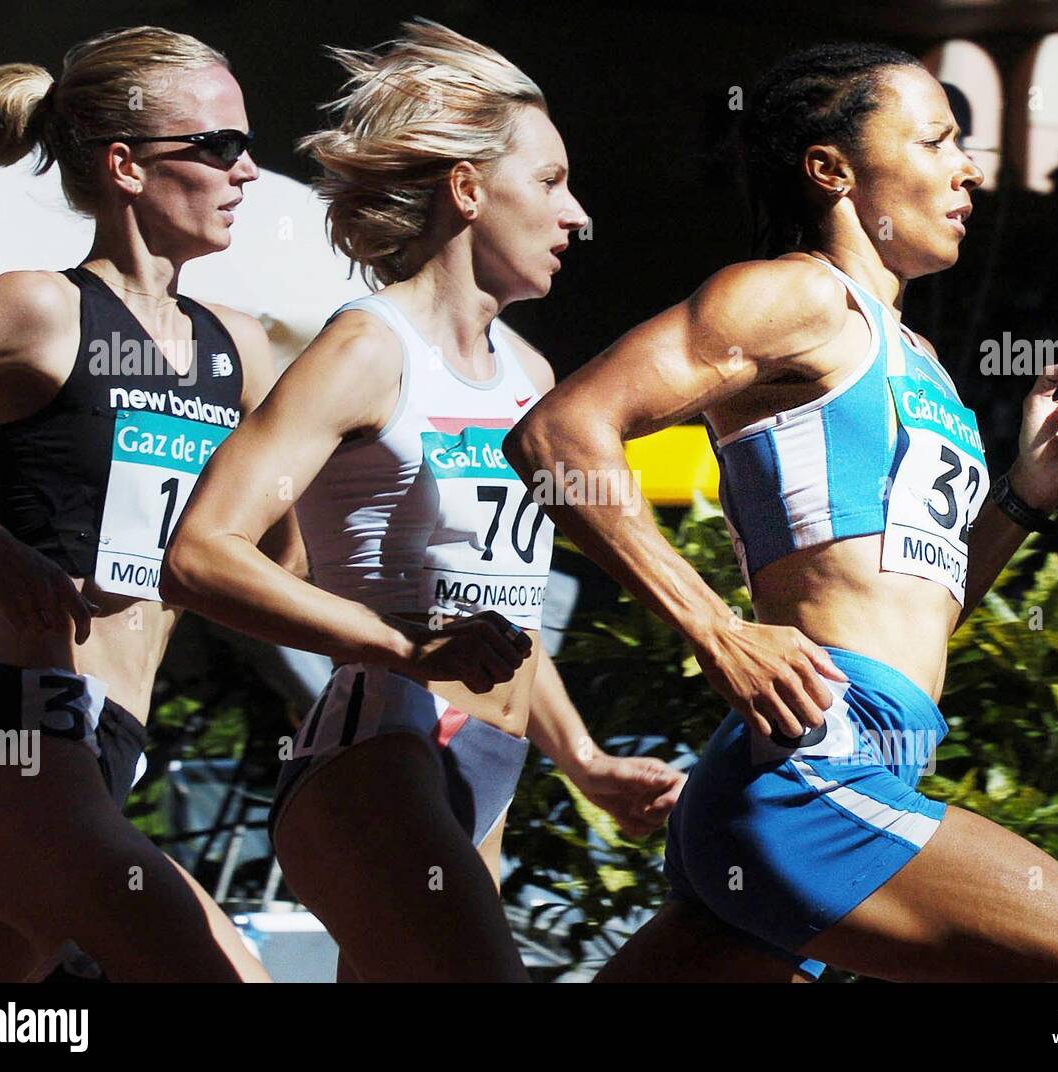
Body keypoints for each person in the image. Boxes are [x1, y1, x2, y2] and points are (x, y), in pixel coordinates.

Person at [505, 42, 1058, 982]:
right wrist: (716, 627)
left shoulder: (919, 359)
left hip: (850, 764)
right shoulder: (793, 295)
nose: (967, 171)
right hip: (812, 777)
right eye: (937, 140)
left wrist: (1027, 493)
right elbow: (558, 437)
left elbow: (919, 613)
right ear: (832, 169)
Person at [162, 19, 683, 983]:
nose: (580, 216)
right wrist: (404, 647)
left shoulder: (533, 380)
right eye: (552, 182)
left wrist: (587, 764)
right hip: (372, 759)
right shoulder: (367, 348)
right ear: (470, 189)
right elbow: (201, 554)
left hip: (482, 775)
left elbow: (503, 622)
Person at [0, 26, 299, 981]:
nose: (248, 172)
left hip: (117, 746)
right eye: (220, 146)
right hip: (25, 734)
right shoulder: (37, 308)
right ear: (126, 165)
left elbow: (281, 566)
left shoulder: (239, 347)